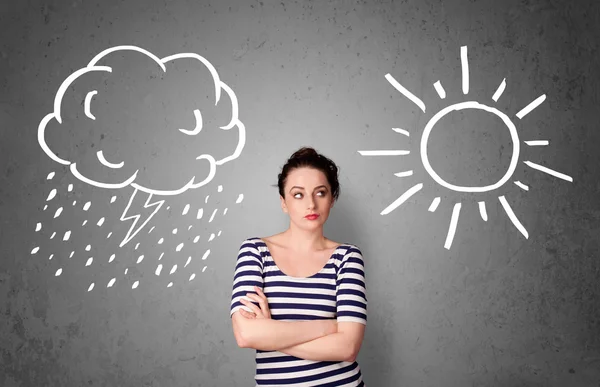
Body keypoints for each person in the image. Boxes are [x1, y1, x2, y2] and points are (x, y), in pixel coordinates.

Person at [229, 146, 368, 386]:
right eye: (298, 194)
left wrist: (271, 333)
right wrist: (329, 327)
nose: (311, 204)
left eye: (320, 193)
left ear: (332, 198)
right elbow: (246, 334)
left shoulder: (347, 257)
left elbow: (347, 348)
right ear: (283, 202)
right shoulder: (255, 251)